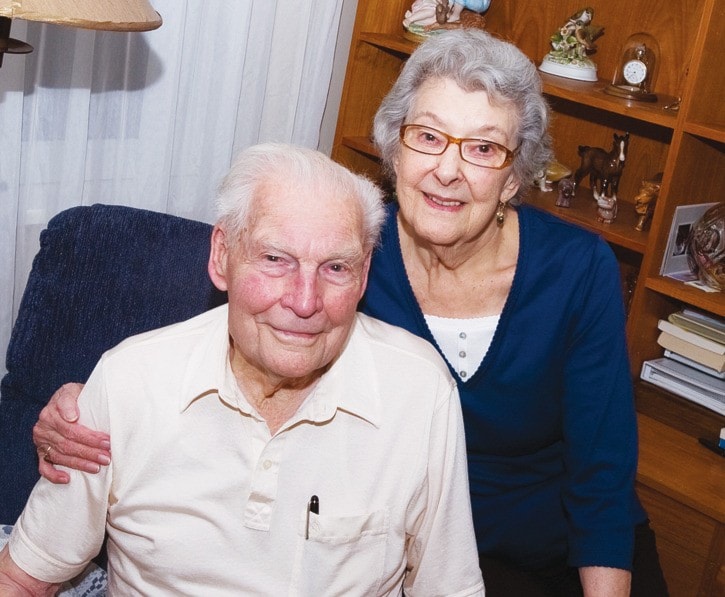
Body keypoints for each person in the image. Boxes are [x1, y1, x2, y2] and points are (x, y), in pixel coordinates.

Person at [32, 29, 668, 596]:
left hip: (553, 551)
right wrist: (87, 406)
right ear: (393, 151)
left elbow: (602, 473)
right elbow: (226, 319)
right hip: (393, 541)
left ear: (512, 177)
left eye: (482, 149)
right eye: (427, 137)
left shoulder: (577, 268)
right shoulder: (344, 256)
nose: (447, 169)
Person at [0, 143, 485, 595]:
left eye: (336, 267)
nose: (304, 301)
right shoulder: (130, 380)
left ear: (362, 278)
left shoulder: (420, 392)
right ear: (222, 256)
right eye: (276, 259)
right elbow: (25, 578)